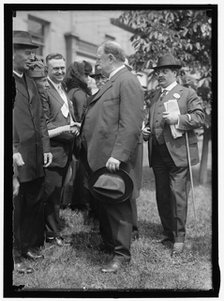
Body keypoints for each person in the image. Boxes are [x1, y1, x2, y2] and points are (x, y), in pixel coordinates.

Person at [80, 41, 144, 272]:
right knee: (107, 203)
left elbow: (131, 123)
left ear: (110, 58)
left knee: (119, 207)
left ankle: (121, 255)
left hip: (112, 158)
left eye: (98, 58)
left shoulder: (127, 80)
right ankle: (110, 245)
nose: (96, 63)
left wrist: (118, 154)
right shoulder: (114, 81)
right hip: (101, 155)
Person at [142, 53, 205, 256]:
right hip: (158, 153)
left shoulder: (187, 93)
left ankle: (179, 238)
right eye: (158, 71)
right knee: (162, 195)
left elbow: (199, 117)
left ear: (175, 73)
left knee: (177, 195)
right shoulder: (155, 96)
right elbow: (151, 121)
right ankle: (168, 232)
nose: (160, 75)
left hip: (178, 153)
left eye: (164, 71)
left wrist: (179, 118)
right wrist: (145, 131)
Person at [13, 31, 52, 273]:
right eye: (27, 52)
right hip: (16, 156)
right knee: (14, 206)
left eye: (32, 52)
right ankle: (12, 255)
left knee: (32, 202)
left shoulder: (29, 80)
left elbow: (40, 118)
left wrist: (46, 147)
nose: (31, 57)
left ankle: (26, 245)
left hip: (36, 156)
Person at [42, 53, 80, 246]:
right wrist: (67, 128)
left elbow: (65, 116)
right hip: (53, 152)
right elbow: (44, 127)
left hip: (66, 150)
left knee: (57, 193)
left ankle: (51, 230)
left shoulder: (62, 88)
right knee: (51, 195)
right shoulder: (45, 90)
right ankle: (50, 234)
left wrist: (73, 123)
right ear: (47, 69)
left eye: (62, 68)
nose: (60, 71)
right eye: (55, 68)